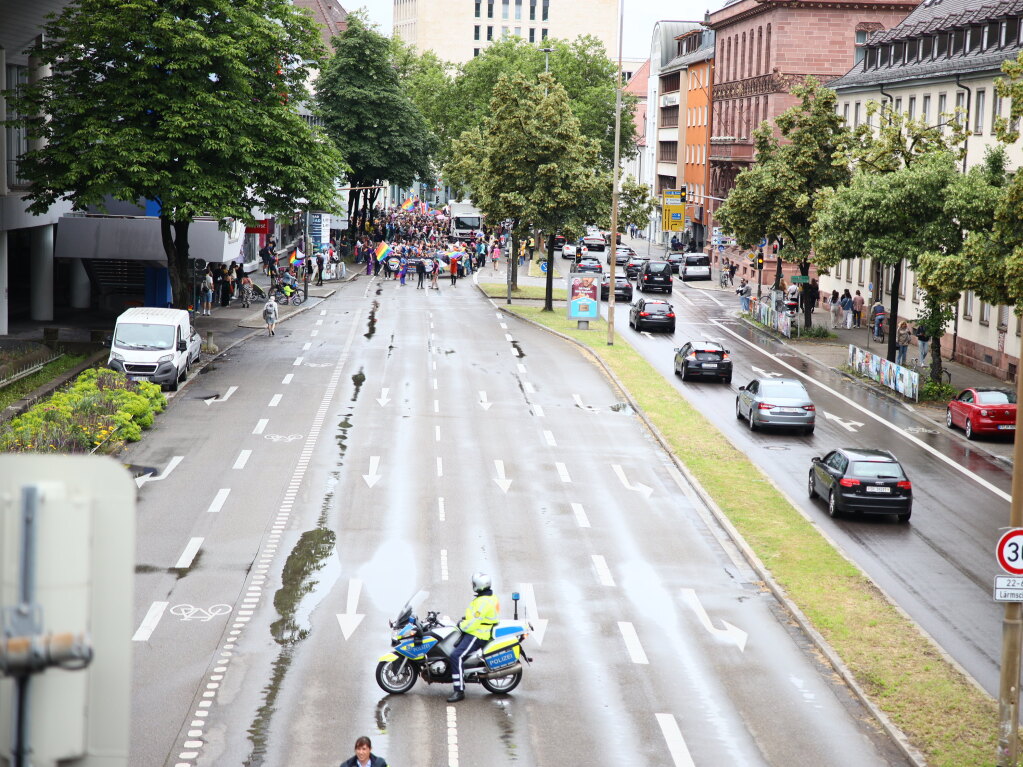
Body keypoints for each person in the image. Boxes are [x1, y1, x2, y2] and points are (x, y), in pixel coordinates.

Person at [448, 572, 499, 702]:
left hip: (478, 633)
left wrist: (461, 626)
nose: (472, 586)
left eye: (474, 584)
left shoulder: (483, 602)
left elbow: (475, 621)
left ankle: (459, 691)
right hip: (478, 630)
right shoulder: (488, 597)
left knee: (456, 656)